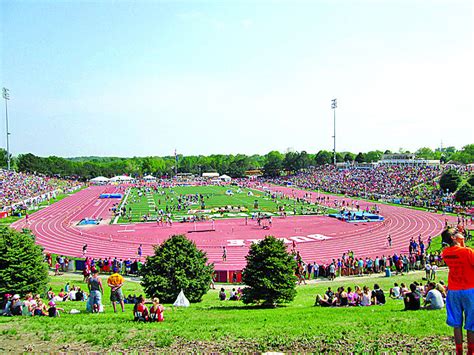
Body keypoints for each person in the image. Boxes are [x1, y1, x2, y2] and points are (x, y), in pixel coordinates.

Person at [441, 228, 474, 355]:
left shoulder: (446, 253)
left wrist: (462, 243)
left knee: (456, 324)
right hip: (470, 289)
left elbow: (460, 255)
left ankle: (459, 351)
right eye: (456, 232)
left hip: (454, 291)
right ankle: (470, 352)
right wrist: (463, 243)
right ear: (454, 238)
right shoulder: (468, 252)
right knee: (471, 324)